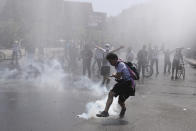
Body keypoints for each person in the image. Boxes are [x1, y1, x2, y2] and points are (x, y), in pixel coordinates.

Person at [96, 53, 135, 118]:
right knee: (120, 101)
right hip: (128, 83)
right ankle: (123, 109)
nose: (110, 63)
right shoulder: (118, 64)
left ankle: (105, 112)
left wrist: (114, 75)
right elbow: (119, 75)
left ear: (115, 59)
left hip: (127, 83)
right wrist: (113, 75)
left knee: (111, 94)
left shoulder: (120, 64)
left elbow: (118, 76)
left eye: (111, 61)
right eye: (109, 61)